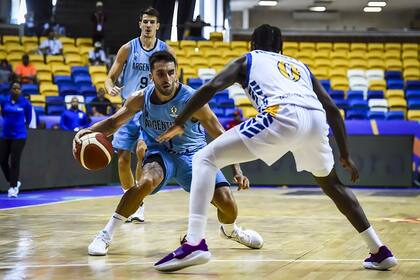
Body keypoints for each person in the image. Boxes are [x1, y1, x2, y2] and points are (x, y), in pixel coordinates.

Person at [154, 24, 398, 272]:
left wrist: (179, 121)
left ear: (251, 45)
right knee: (332, 184)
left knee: (204, 158)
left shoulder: (248, 59)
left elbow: (210, 87)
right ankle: (379, 251)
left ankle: (195, 243)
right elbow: (333, 110)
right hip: (315, 120)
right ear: (281, 48)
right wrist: (344, 155)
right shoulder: (299, 66)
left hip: (281, 113)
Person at [74, 51, 263, 256]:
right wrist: (89, 132)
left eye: (171, 73)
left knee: (227, 204)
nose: (167, 78)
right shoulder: (140, 98)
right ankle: (105, 234)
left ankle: (230, 230)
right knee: (145, 182)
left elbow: (219, 132)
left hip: (195, 155)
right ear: (152, 76)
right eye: (161, 74)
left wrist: (237, 168)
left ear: (177, 73)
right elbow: (113, 123)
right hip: (160, 153)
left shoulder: (192, 99)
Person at [104, 7, 170, 223]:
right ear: (140, 24)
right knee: (123, 159)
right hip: (129, 108)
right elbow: (110, 76)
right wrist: (110, 87)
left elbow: (174, 79)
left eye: (152, 22)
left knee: (142, 151)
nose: (149, 25)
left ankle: (139, 202)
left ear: (158, 26)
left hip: (151, 108)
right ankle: (132, 199)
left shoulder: (164, 50)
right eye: (145, 22)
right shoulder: (128, 48)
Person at [0, 83, 32, 198]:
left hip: (19, 136)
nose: (16, 90)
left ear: (21, 91)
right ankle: (13, 180)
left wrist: (22, 127)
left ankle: (13, 187)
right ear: (10, 90)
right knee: (2, 160)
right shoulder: (4, 101)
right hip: (5, 135)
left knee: (14, 161)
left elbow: (28, 119)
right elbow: (3, 113)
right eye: (14, 88)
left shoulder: (25, 103)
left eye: (18, 89)